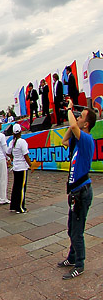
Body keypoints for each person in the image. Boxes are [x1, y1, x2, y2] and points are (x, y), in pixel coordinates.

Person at [58, 99, 96, 279]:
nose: (77, 118)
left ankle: (79, 264)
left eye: (81, 117)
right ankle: (72, 258)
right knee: (71, 227)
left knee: (77, 231)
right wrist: (72, 120)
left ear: (86, 124)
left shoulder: (87, 139)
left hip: (82, 191)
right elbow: (65, 140)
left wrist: (69, 109)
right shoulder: (77, 140)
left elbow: (74, 127)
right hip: (75, 191)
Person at [7, 124, 32, 214]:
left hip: (16, 166)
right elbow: (25, 155)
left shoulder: (12, 142)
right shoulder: (22, 142)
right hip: (22, 167)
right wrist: (30, 165)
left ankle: (14, 205)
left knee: (16, 186)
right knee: (21, 187)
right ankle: (20, 207)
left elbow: (8, 152)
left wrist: (13, 157)